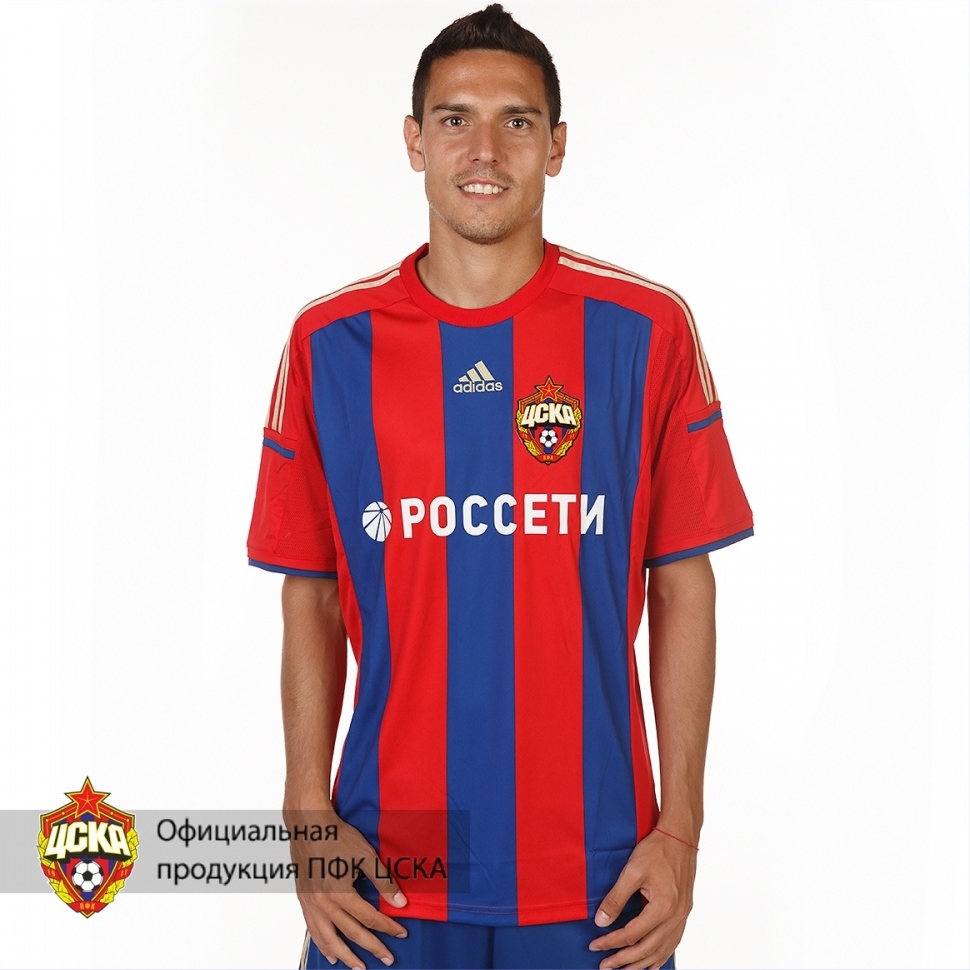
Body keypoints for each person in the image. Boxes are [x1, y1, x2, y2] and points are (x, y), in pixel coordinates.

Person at [247, 6, 753, 969]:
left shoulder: (646, 330)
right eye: (455, 119)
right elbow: (309, 591)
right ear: (414, 141)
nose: (484, 149)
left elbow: (684, 582)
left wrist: (681, 829)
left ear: (556, 146)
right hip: (385, 871)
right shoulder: (329, 344)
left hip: (601, 874)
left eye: (517, 121)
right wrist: (306, 815)